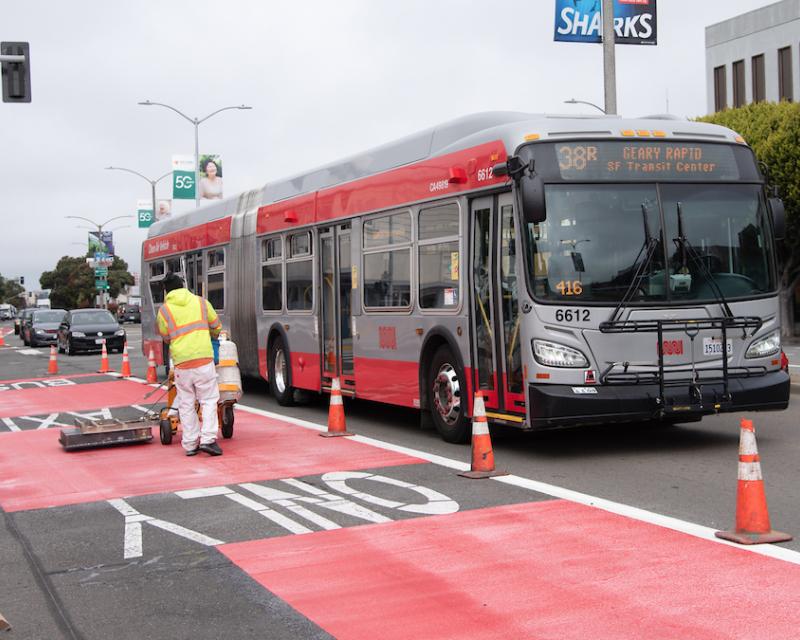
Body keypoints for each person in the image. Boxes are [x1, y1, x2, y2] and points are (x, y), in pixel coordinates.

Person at [156, 272, 224, 456]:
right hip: (203, 359)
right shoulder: (201, 302)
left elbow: (166, 337)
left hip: (181, 363)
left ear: (166, 291)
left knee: (186, 403)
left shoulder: (164, 311)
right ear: (183, 286)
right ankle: (208, 440)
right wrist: (210, 336)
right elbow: (216, 326)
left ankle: (190, 444)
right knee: (208, 400)